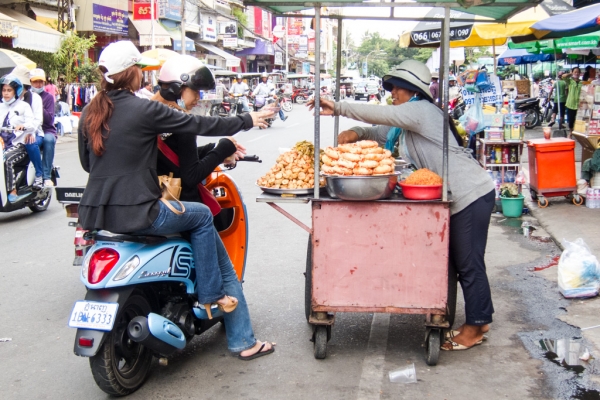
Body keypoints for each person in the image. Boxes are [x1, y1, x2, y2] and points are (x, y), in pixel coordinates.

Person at [77, 41, 273, 325]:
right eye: (140, 69)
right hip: (140, 213)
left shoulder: (89, 112)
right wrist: (247, 119)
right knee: (202, 215)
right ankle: (210, 295)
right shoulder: (142, 110)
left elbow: (87, 164)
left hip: (95, 215)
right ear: (133, 72)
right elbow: (201, 125)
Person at [308, 60, 495, 351]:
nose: (392, 92)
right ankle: (479, 320)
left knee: (469, 263)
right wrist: (357, 132)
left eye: (396, 87)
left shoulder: (421, 111)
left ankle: (476, 327)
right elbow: (381, 132)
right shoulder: (407, 124)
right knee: (460, 262)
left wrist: (340, 107)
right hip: (457, 195)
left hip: (469, 192)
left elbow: (382, 113)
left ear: (412, 89)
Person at [151, 55, 274, 360]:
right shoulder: (178, 119)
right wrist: (224, 147)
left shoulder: (148, 113)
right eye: (196, 92)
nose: (198, 99)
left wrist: (220, 151)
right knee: (226, 270)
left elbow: (178, 158)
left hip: (149, 200)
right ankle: (243, 340)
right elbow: (190, 175)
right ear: (181, 88)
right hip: (179, 205)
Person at [0, 75, 36, 202]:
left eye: (9, 90)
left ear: (15, 91)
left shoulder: (23, 106)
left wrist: (23, 126)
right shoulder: (0, 106)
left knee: (6, 160)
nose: (6, 93)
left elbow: (32, 124)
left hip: (19, 145)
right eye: (4, 90)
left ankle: (12, 191)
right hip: (2, 144)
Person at [10, 65, 44, 189]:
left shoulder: (35, 98)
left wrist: (29, 130)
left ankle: (39, 176)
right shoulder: (10, 100)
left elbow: (38, 120)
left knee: (30, 142)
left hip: (34, 133)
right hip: (14, 135)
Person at [29, 68, 57, 187]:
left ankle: (45, 176)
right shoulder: (26, 96)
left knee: (48, 140)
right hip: (30, 128)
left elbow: (49, 119)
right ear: (30, 82)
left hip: (46, 129)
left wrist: (38, 104)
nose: (38, 84)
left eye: (41, 81)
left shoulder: (48, 97)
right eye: (35, 82)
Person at [563, 67, 582, 138]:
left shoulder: (581, 82)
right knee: (571, 120)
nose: (577, 73)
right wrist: (571, 73)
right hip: (570, 104)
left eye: (578, 72)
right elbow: (563, 76)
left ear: (580, 73)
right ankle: (571, 132)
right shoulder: (570, 81)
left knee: (578, 120)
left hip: (579, 105)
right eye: (575, 72)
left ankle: (577, 133)